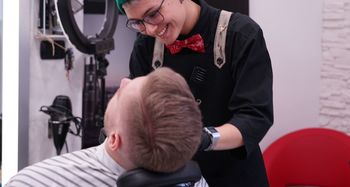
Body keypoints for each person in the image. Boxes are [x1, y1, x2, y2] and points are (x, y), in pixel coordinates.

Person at [111, 0, 273, 186]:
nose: (151, 29)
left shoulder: (241, 35)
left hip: (236, 178)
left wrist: (206, 138)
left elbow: (255, 117)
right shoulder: (145, 48)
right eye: (138, 23)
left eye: (153, 14)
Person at [5, 68, 208, 187]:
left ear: (113, 140)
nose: (123, 81)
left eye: (121, 94)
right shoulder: (197, 182)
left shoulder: (31, 182)